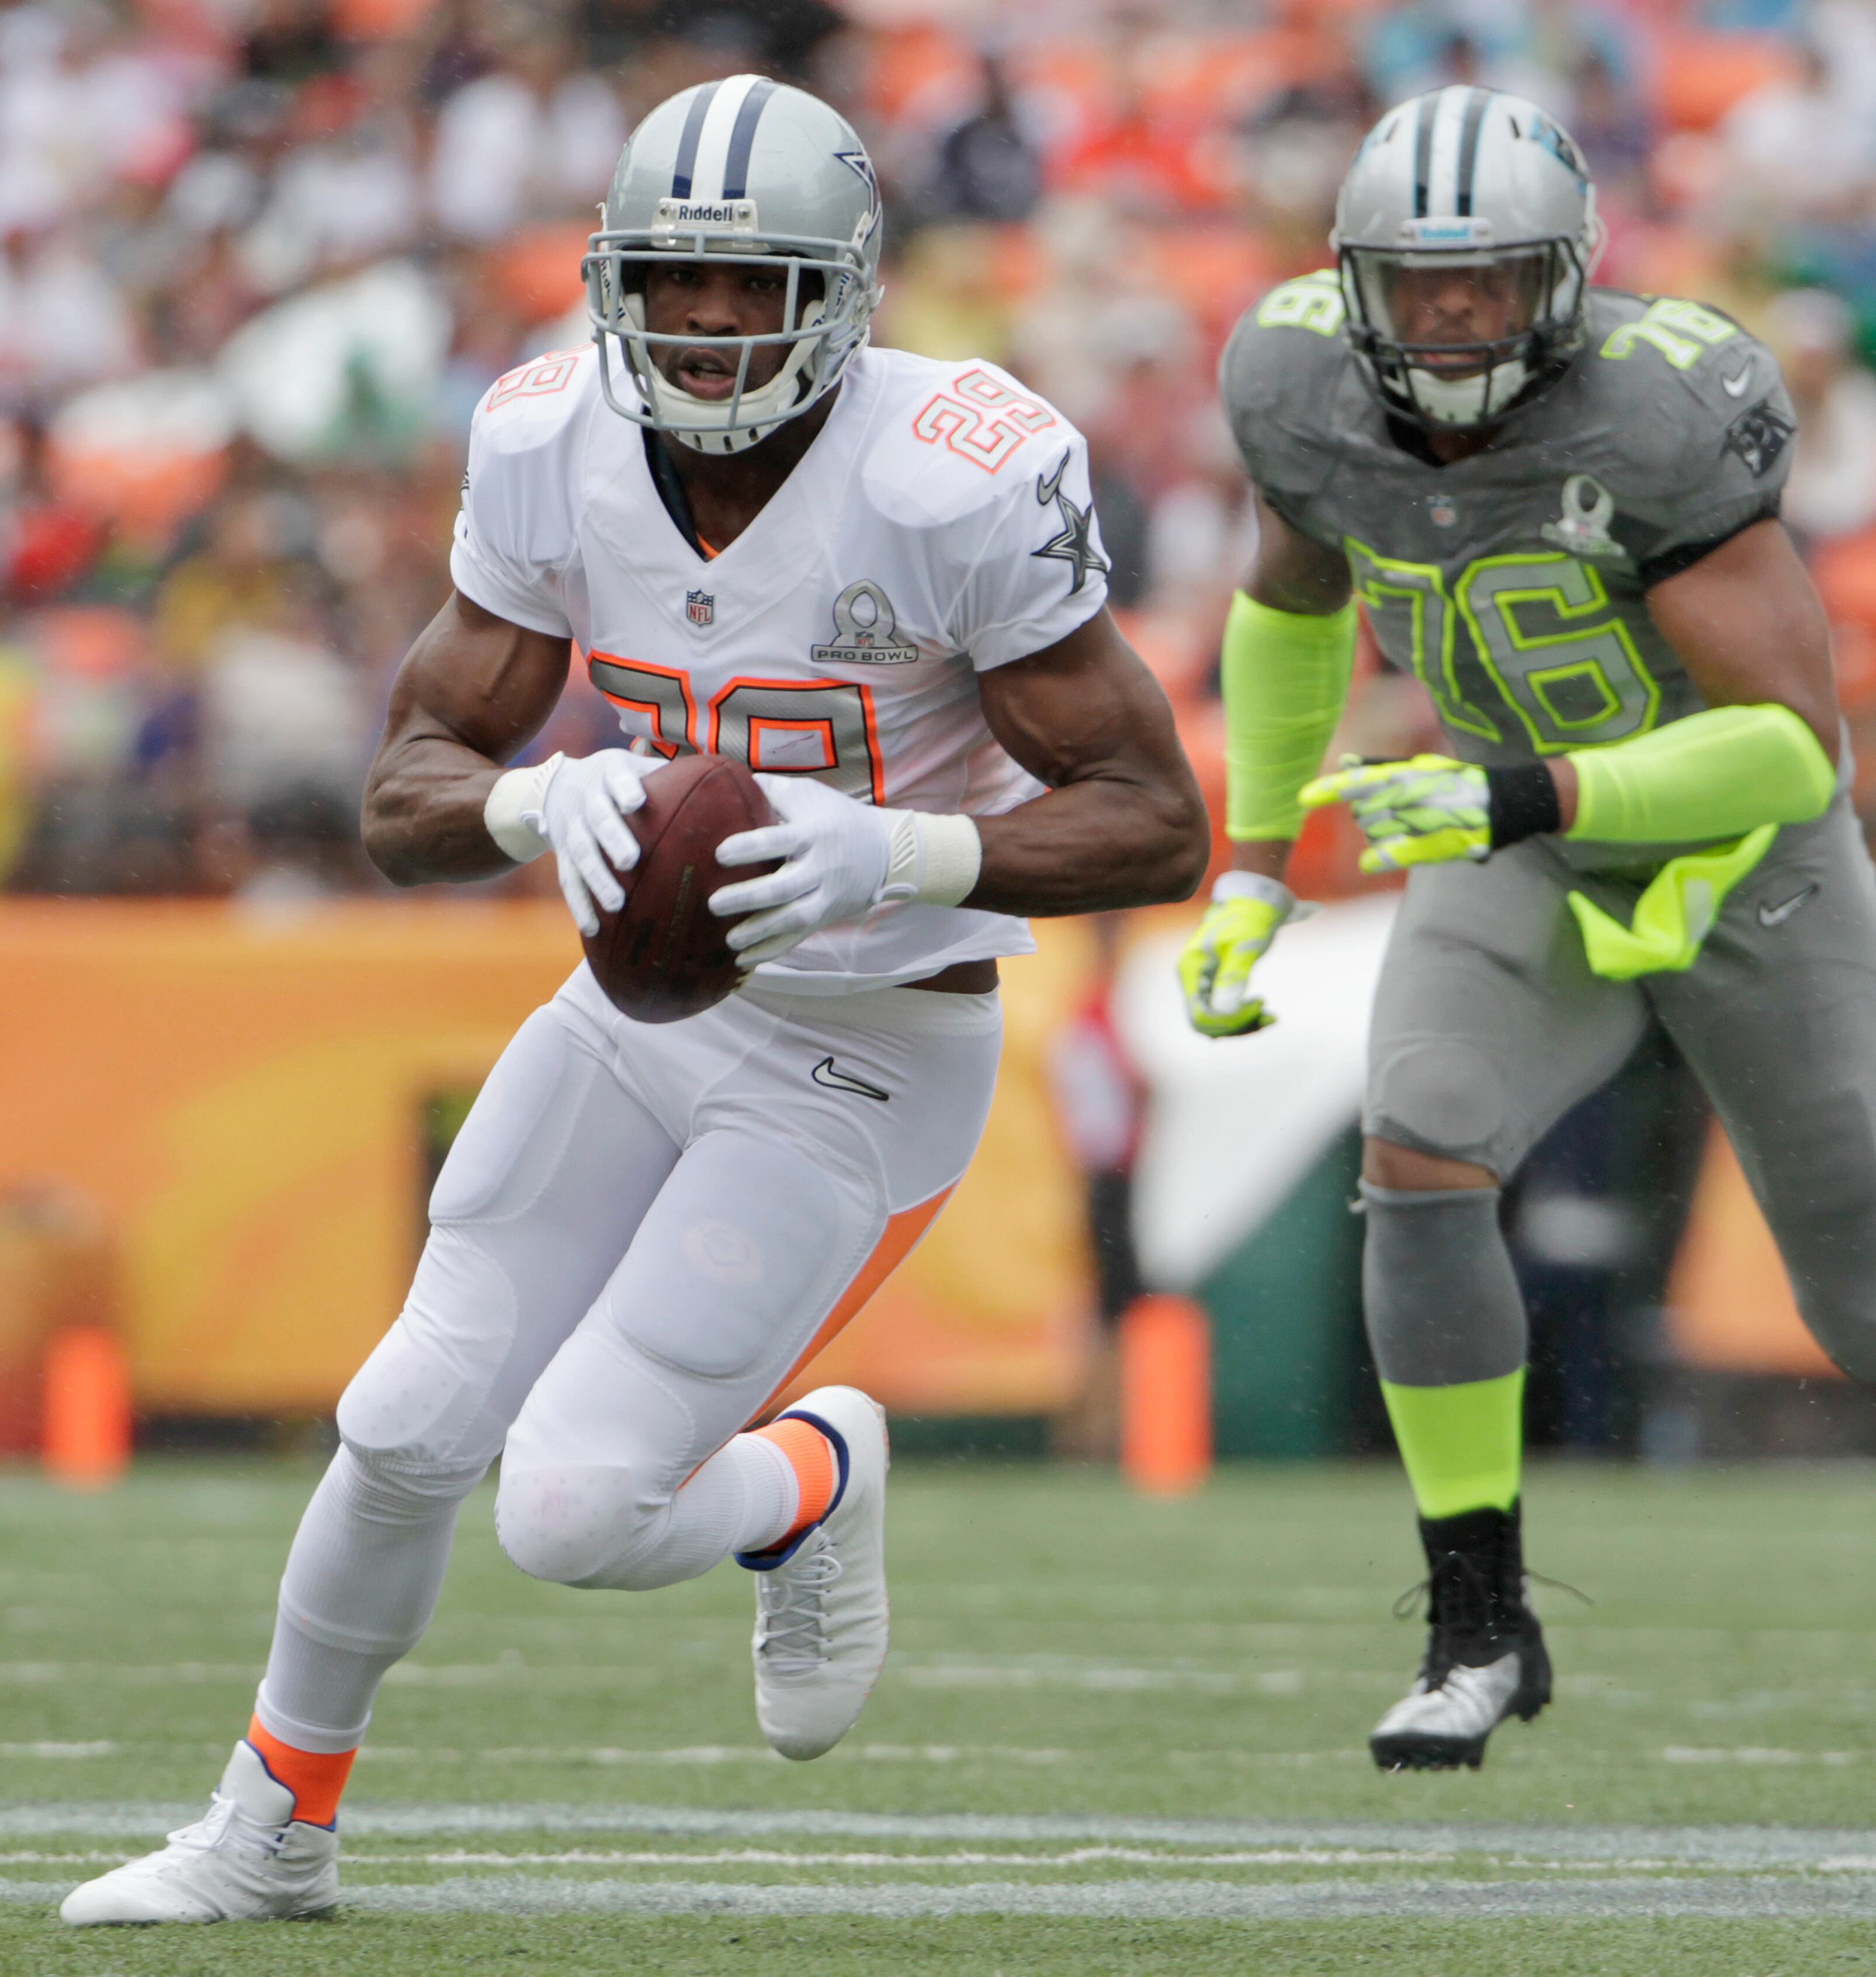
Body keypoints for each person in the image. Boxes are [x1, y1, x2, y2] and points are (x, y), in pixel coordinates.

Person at [63, 75, 1205, 1927]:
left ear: (845, 295)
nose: (709, 323)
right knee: (404, 1419)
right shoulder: (550, 438)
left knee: (570, 1513)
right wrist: (538, 802)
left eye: (756, 286)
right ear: (616, 280)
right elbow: (405, 793)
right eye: (677, 280)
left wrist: (904, 851)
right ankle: (270, 1829)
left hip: (866, 1042)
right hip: (643, 1011)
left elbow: (1155, 819)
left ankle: (809, 1478)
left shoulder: (960, 471)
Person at [1177, 85, 1876, 1810]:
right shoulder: (1295, 385)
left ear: (1567, 279)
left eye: (1490, 280)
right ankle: (1479, 1623)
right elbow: (1290, 605)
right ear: (1350, 282)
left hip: (1741, 865)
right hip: (1519, 842)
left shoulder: (1660, 413)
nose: (1450, 317)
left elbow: (1796, 748)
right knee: (1420, 1148)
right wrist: (1257, 867)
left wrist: (1518, 790)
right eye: (1416, 283)